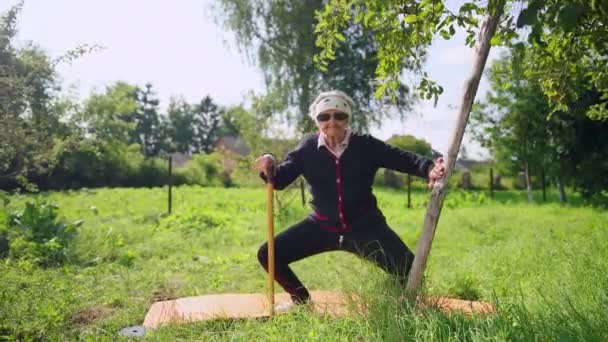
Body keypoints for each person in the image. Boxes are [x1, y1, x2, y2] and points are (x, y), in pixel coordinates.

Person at [255, 90, 445, 312]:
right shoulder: (307, 148)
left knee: (412, 271)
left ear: (348, 118)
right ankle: (301, 301)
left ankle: (399, 306)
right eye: (324, 117)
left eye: (339, 116)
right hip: (321, 226)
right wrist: (269, 165)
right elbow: (279, 179)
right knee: (268, 254)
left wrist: (430, 168)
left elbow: (403, 159)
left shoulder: (366, 145)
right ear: (317, 121)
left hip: (365, 227)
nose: (332, 122)